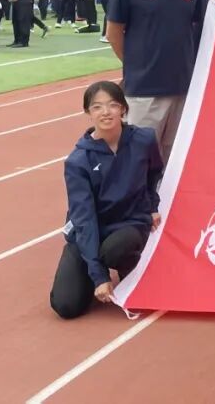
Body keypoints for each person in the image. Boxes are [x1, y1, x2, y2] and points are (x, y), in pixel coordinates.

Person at [49, 80, 164, 320]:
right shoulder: (78, 161)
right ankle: (95, 267)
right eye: (97, 107)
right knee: (66, 306)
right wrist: (99, 276)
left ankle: (129, 267)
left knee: (119, 246)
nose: (106, 112)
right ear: (88, 112)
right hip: (91, 230)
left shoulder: (144, 140)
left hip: (129, 225)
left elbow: (154, 174)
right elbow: (84, 219)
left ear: (123, 108)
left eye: (112, 105)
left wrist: (152, 206)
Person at [106, 0, 203, 164]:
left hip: (183, 88)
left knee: (176, 160)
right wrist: (135, 64)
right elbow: (113, 32)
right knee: (140, 160)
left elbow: (196, 26)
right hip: (144, 90)